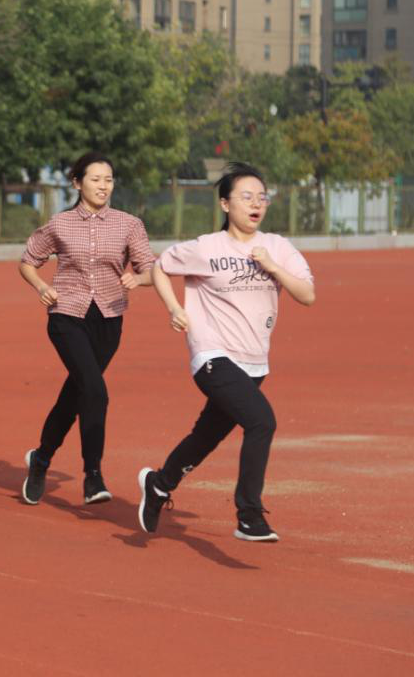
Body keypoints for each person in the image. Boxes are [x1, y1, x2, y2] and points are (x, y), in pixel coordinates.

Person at [137, 162, 315, 542]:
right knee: (262, 422)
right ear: (224, 204)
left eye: (262, 197)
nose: (256, 204)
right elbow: (160, 267)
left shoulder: (278, 247)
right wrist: (174, 308)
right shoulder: (206, 247)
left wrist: (272, 267)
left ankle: (159, 484)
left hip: (254, 362)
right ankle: (249, 514)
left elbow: (307, 295)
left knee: (206, 436)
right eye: (246, 197)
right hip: (212, 356)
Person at [17, 152, 155, 506]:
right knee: (95, 391)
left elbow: (151, 269)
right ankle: (93, 475)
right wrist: (41, 286)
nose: (103, 186)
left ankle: (41, 458)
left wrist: (138, 279)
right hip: (67, 315)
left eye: (108, 179)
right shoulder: (59, 224)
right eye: (95, 179)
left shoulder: (129, 224)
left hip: (109, 319)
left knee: (76, 395)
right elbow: (28, 261)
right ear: (78, 183)